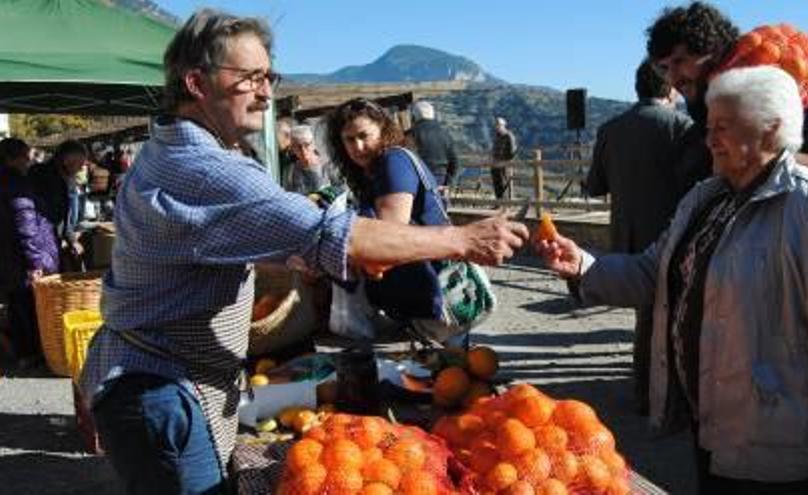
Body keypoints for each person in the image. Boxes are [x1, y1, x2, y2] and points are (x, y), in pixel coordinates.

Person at [79, 10, 527, 494]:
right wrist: (464, 239)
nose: (267, 92)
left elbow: (211, 242)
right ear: (196, 83)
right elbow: (341, 235)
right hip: (161, 390)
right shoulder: (203, 168)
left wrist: (289, 253)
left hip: (153, 380)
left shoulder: (170, 151)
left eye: (269, 77)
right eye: (251, 78)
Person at [536, 66, 808, 494]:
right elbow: (652, 273)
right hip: (713, 432)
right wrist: (585, 264)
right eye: (709, 126)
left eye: (724, 127)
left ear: (771, 131)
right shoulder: (705, 198)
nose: (709, 138)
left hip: (779, 454)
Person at [646, 1, 808, 258]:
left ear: (712, 53)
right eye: (664, 68)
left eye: (680, 61)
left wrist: (770, 162)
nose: (673, 78)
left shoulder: (786, 90)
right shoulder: (694, 139)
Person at [585, 59, 693, 414]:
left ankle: (644, 390)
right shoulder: (681, 126)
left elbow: (595, 185)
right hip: (667, 234)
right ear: (669, 88)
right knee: (668, 316)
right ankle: (656, 395)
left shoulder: (610, 128)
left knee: (645, 317)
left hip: (624, 233)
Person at [326, 97, 467, 344]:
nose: (358, 146)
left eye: (364, 135)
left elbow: (390, 235)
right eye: (349, 139)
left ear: (383, 129)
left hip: (434, 293)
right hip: (418, 294)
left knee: (446, 373)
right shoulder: (373, 170)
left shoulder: (394, 162)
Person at [0, 138, 59, 369]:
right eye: (25, 156)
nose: (28, 161)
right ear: (12, 158)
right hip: (20, 258)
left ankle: (22, 352)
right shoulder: (16, 184)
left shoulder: (8, 181)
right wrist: (36, 261)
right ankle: (32, 353)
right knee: (29, 307)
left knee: (17, 305)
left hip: (7, 256)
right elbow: (26, 226)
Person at [29, 139, 89, 270]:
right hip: (39, 247)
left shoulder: (64, 179)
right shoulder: (42, 176)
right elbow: (44, 218)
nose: (81, 168)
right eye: (80, 163)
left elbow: (63, 216)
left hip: (48, 243)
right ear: (67, 160)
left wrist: (71, 240)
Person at [406, 100, 459, 188]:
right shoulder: (446, 134)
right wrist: (448, 184)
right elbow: (455, 163)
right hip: (441, 180)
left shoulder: (410, 135)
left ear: (414, 117)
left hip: (418, 179)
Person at [284, 124, 340, 194]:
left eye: (307, 145)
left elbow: (341, 191)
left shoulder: (328, 166)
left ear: (313, 145)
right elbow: (289, 195)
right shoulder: (290, 171)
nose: (303, 151)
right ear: (292, 149)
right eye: (298, 147)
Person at [491, 116, 517, 200]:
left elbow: (512, 151)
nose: (497, 126)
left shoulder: (509, 136)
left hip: (504, 164)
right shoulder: (497, 136)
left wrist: (507, 161)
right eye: (496, 125)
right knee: (496, 184)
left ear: (503, 125)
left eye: (499, 125)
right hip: (495, 163)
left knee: (504, 183)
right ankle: (498, 203)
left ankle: (506, 204)